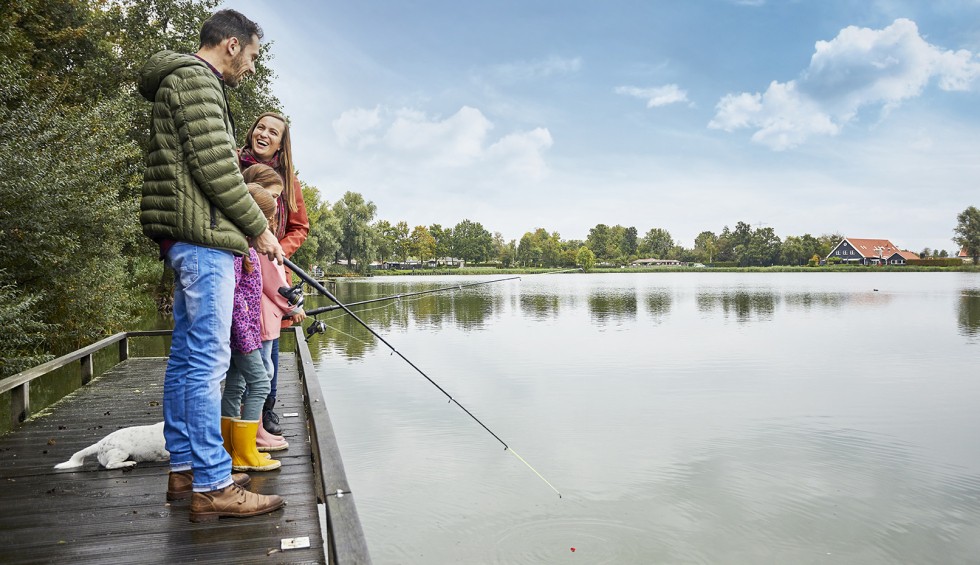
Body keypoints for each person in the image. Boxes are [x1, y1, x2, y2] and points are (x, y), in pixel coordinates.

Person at [138, 8, 284, 522]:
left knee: (184, 359)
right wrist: (260, 229)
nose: (250, 66)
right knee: (206, 362)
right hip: (202, 241)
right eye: (251, 55)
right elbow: (219, 172)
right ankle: (213, 481)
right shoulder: (199, 83)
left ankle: (185, 467)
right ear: (231, 45)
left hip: (185, 238)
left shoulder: (179, 81)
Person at [239, 112, 310, 435]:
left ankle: (266, 412)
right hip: (238, 266)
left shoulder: (289, 181)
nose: (264, 134)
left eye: (273, 132)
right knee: (242, 342)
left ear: (282, 144)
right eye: (260, 128)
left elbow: (300, 228)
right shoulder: (234, 167)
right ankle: (238, 416)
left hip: (272, 269)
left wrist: (277, 251)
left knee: (271, 342)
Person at [220, 183, 297, 472]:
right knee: (261, 382)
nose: (269, 226)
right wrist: (247, 336)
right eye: (267, 220)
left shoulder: (248, 250)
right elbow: (237, 300)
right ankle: (245, 451)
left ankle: (232, 450)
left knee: (237, 385)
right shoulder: (239, 252)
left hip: (245, 332)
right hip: (243, 334)